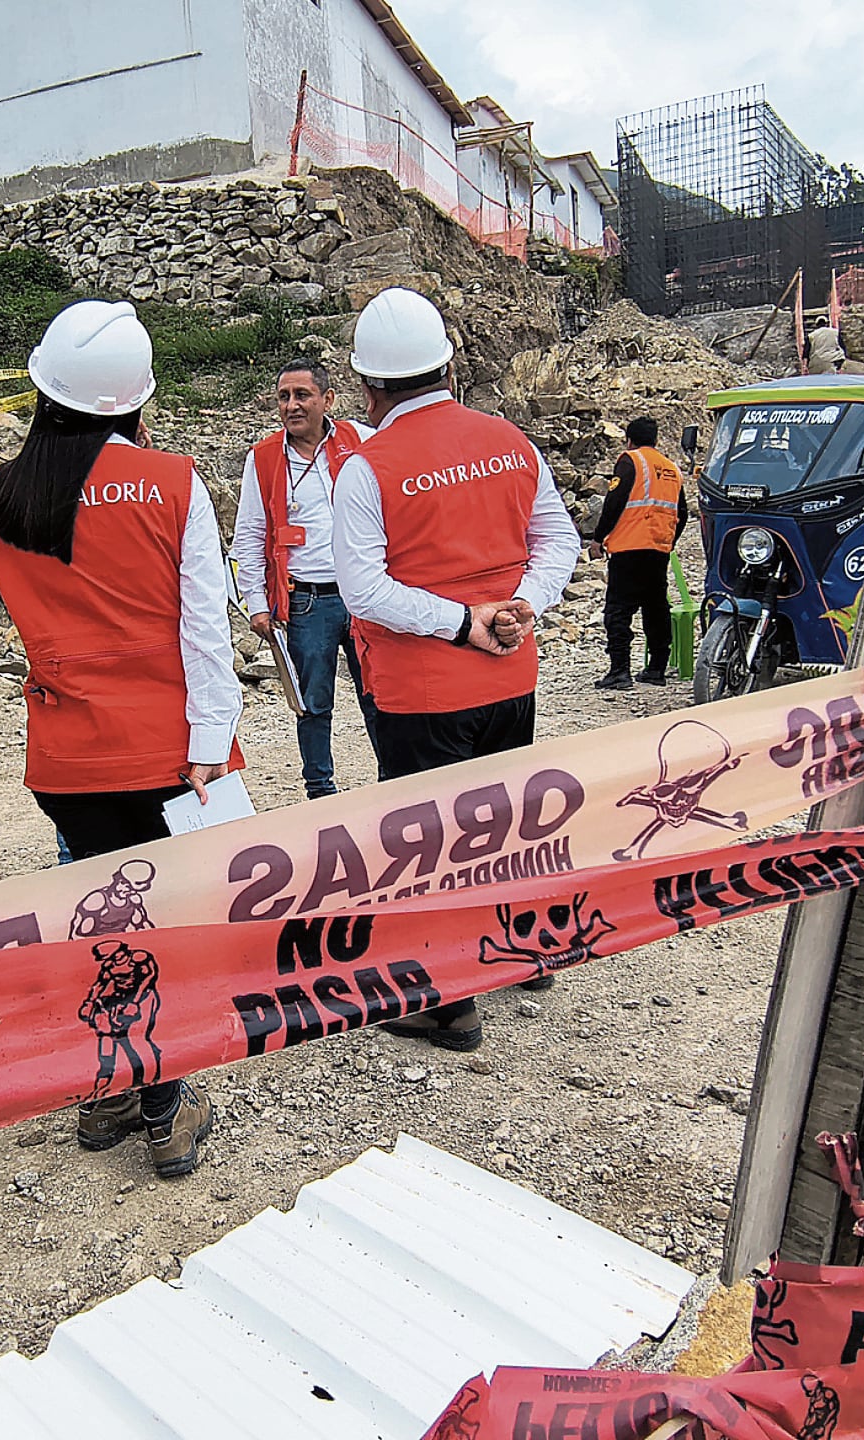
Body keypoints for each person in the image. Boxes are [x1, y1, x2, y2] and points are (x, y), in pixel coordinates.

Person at [0, 299, 235, 1179]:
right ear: (135, 398)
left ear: (43, 387)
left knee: (99, 919)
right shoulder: (172, 482)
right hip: (163, 753)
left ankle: (107, 1093)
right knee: (162, 926)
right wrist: (212, 738)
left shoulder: (2, 496)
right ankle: (166, 1107)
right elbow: (205, 625)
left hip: (67, 754)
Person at [332, 286, 579, 1051]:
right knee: (504, 823)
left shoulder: (366, 469)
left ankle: (450, 1005)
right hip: (512, 677)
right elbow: (558, 543)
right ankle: (526, 951)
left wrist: (460, 623)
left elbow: (363, 590)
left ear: (368, 387)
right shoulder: (512, 442)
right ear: (447, 365)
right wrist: (517, 607)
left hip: (423, 691)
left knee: (430, 844)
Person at [229, 360, 377, 799]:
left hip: (366, 595)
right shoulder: (264, 459)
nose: (291, 406)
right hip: (307, 601)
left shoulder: (363, 441)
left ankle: (396, 776)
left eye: (301, 395)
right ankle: (320, 791)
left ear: (327, 400)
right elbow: (250, 534)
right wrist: (256, 602)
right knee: (313, 703)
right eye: (283, 397)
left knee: (380, 692)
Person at [588, 416, 690, 690]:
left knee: (618, 610)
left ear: (629, 440)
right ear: (655, 440)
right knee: (656, 607)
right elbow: (683, 513)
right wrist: (668, 541)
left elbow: (614, 502)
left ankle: (620, 671)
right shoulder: (671, 469)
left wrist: (598, 538)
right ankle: (656, 669)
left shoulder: (630, 460)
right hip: (658, 549)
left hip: (628, 548)